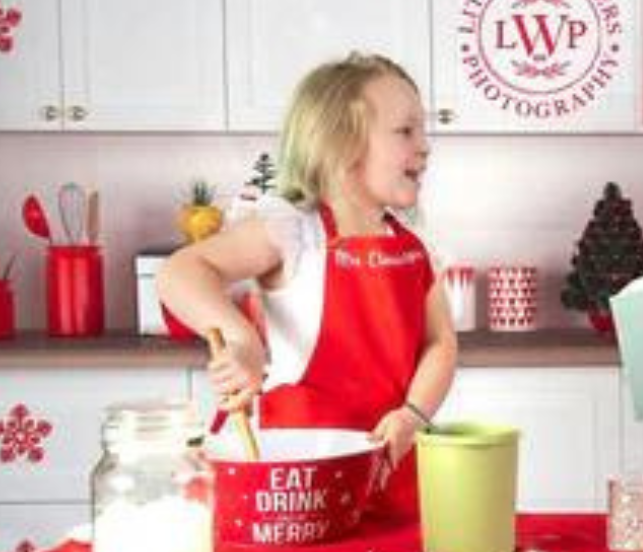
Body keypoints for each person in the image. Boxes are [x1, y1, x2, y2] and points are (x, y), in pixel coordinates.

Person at [158, 52, 457, 520]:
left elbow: (440, 342)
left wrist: (413, 416)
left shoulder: (416, 244)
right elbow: (181, 271)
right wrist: (241, 339)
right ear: (342, 145)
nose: (425, 146)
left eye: (423, 130)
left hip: (385, 466)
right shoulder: (294, 229)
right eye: (405, 131)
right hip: (289, 477)